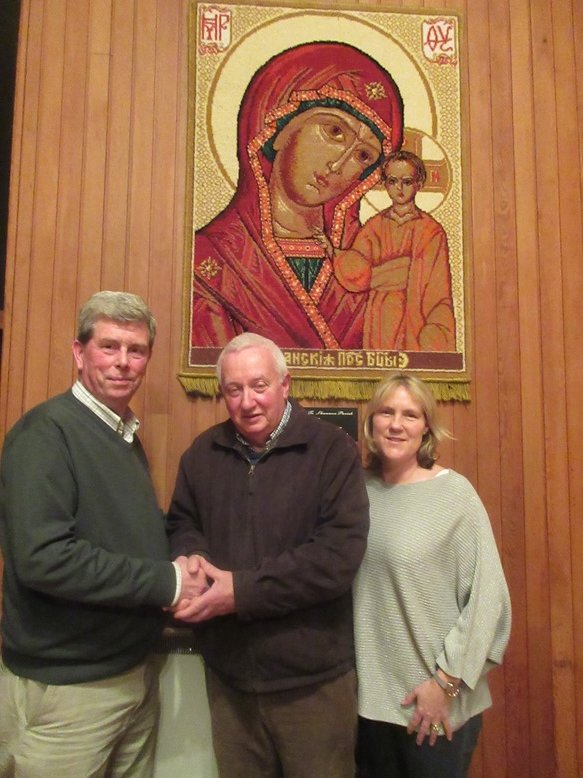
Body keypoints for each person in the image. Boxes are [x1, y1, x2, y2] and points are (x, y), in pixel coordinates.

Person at [0, 291, 204, 777]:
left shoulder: (122, 434)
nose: (123, 362)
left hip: (131, 674)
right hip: (69, 691)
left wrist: (186, 558)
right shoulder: (45, 434)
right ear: (79, 352)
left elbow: (125, 532)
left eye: (136, 350)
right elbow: (45, 559)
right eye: (109, 346)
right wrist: (170, 582)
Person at [166, 332, 370, 777]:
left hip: (312, 685)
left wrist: (242, 591)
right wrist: (192, 557)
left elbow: (336, 558)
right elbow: (181, 522)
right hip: (230, 681)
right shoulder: (202, 453)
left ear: (285, 384)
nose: (247, 402)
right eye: (234, 390)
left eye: (259, 386)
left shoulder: (331, 450)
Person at [191, 41, 404, 350]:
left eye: (362, 156)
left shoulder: (369, 264)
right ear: (279, 130)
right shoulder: (212, 261)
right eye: (334, 131)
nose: (338, 165)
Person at [353, 373, 511, 777]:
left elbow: (488, 599)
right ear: (371, 422)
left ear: (426, 426)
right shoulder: (355, 493)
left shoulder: (455, 495)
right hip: (369, 706)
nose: (396, 424)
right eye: (386, 412)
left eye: (410, 415)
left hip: (432, 705)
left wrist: (445, 683)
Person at [325, 150, 456, 351]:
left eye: (407, 182)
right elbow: (358, 273)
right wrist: (335, 253)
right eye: (393, 181)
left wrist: (435, 332)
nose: (399, 188)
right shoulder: (374, 226)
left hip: (415, 315)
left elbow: (437, 289)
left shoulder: (431, 231)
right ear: (385, 184)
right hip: (381, 316)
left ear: (419, 184)